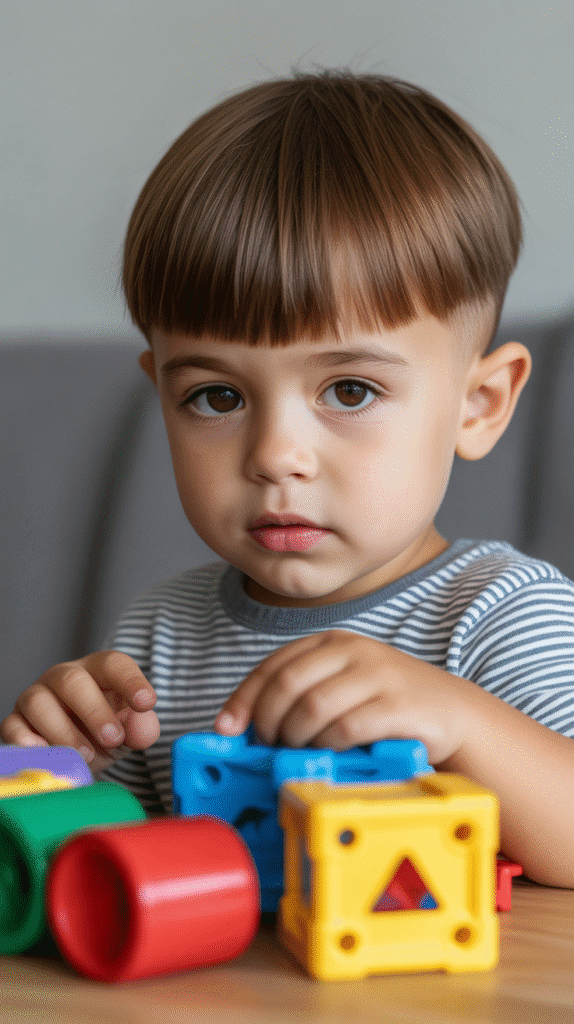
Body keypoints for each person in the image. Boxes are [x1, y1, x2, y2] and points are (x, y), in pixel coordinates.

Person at [2, 70, 573, 887]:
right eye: (217, 396)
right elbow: (109, 875)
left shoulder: (498, 617)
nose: (275, 454)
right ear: (160, 394)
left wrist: (464, 723)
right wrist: (53, 771)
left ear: (478, 406)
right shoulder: (158, 640)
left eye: (349, 390)